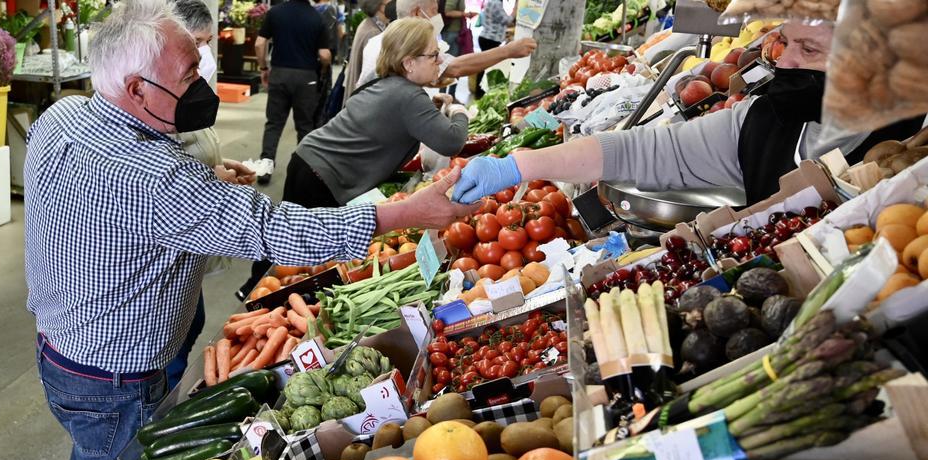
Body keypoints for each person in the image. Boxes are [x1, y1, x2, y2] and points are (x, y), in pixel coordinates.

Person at [23, 0, 474, 460]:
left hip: (59, 343)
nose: (204, 82)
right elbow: (274, 229)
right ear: (135, 89)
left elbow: (101, 198)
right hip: (114, 375)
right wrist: (406, 213)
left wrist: (205, 183)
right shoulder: (155, 176)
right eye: (190, 70)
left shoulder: (62, 116)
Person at [452, 22, 928, 207]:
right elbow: (649, 150)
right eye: (783, 43)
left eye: (809, 49)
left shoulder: (915, 139)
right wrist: (521, 165)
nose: (783, 62)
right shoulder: (767, 120)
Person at [164, 0, 257, 390]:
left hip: (190, 246)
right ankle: (163, 395)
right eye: (199, 41)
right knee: (175, 332)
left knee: (191, 318)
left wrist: (221, 165)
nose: (204, 51)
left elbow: (195, 140)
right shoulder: (159, 97)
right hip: (175, 250)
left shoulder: (185, 84)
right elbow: (169, 167)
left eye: (205, 41)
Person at [288, 17, 469, 208]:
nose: (440, 60)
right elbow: (453, 142)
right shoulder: (409, 95)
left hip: (310, 164)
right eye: (433, 54)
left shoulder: (389, 83)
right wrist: (458, 110)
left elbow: (391, 119)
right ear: (409, 63)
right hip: (320, 179)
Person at [354, 0, 535, 93]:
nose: (438, 16)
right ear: (417, 12)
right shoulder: (408, 42)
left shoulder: (383, 36)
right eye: (434, 11)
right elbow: (455, 67)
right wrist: (508, 51)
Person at [256, 0, 332, 186]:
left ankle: (265, 168)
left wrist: (263, 67)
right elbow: (324, 55)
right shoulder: (317, 17)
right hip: (307, 78)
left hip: (280, 73)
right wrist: (323, 68)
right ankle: (302, 174)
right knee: (305, 126)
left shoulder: (275, 13)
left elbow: (259, 43)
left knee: (274, 123)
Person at [343, 0, 394, 103]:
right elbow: (373, 75)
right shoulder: (373, 32)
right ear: (379, 6)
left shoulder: (369, 25)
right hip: (363, 100)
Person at [474, 0, 513, 98]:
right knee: (486, 66)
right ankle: (480, 92)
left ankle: (479, 92)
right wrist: (515, 10)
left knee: (484, 66)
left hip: (486, 37)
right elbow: (507, 20)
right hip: (490, 39)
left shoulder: (491, 1)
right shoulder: (496, 3)